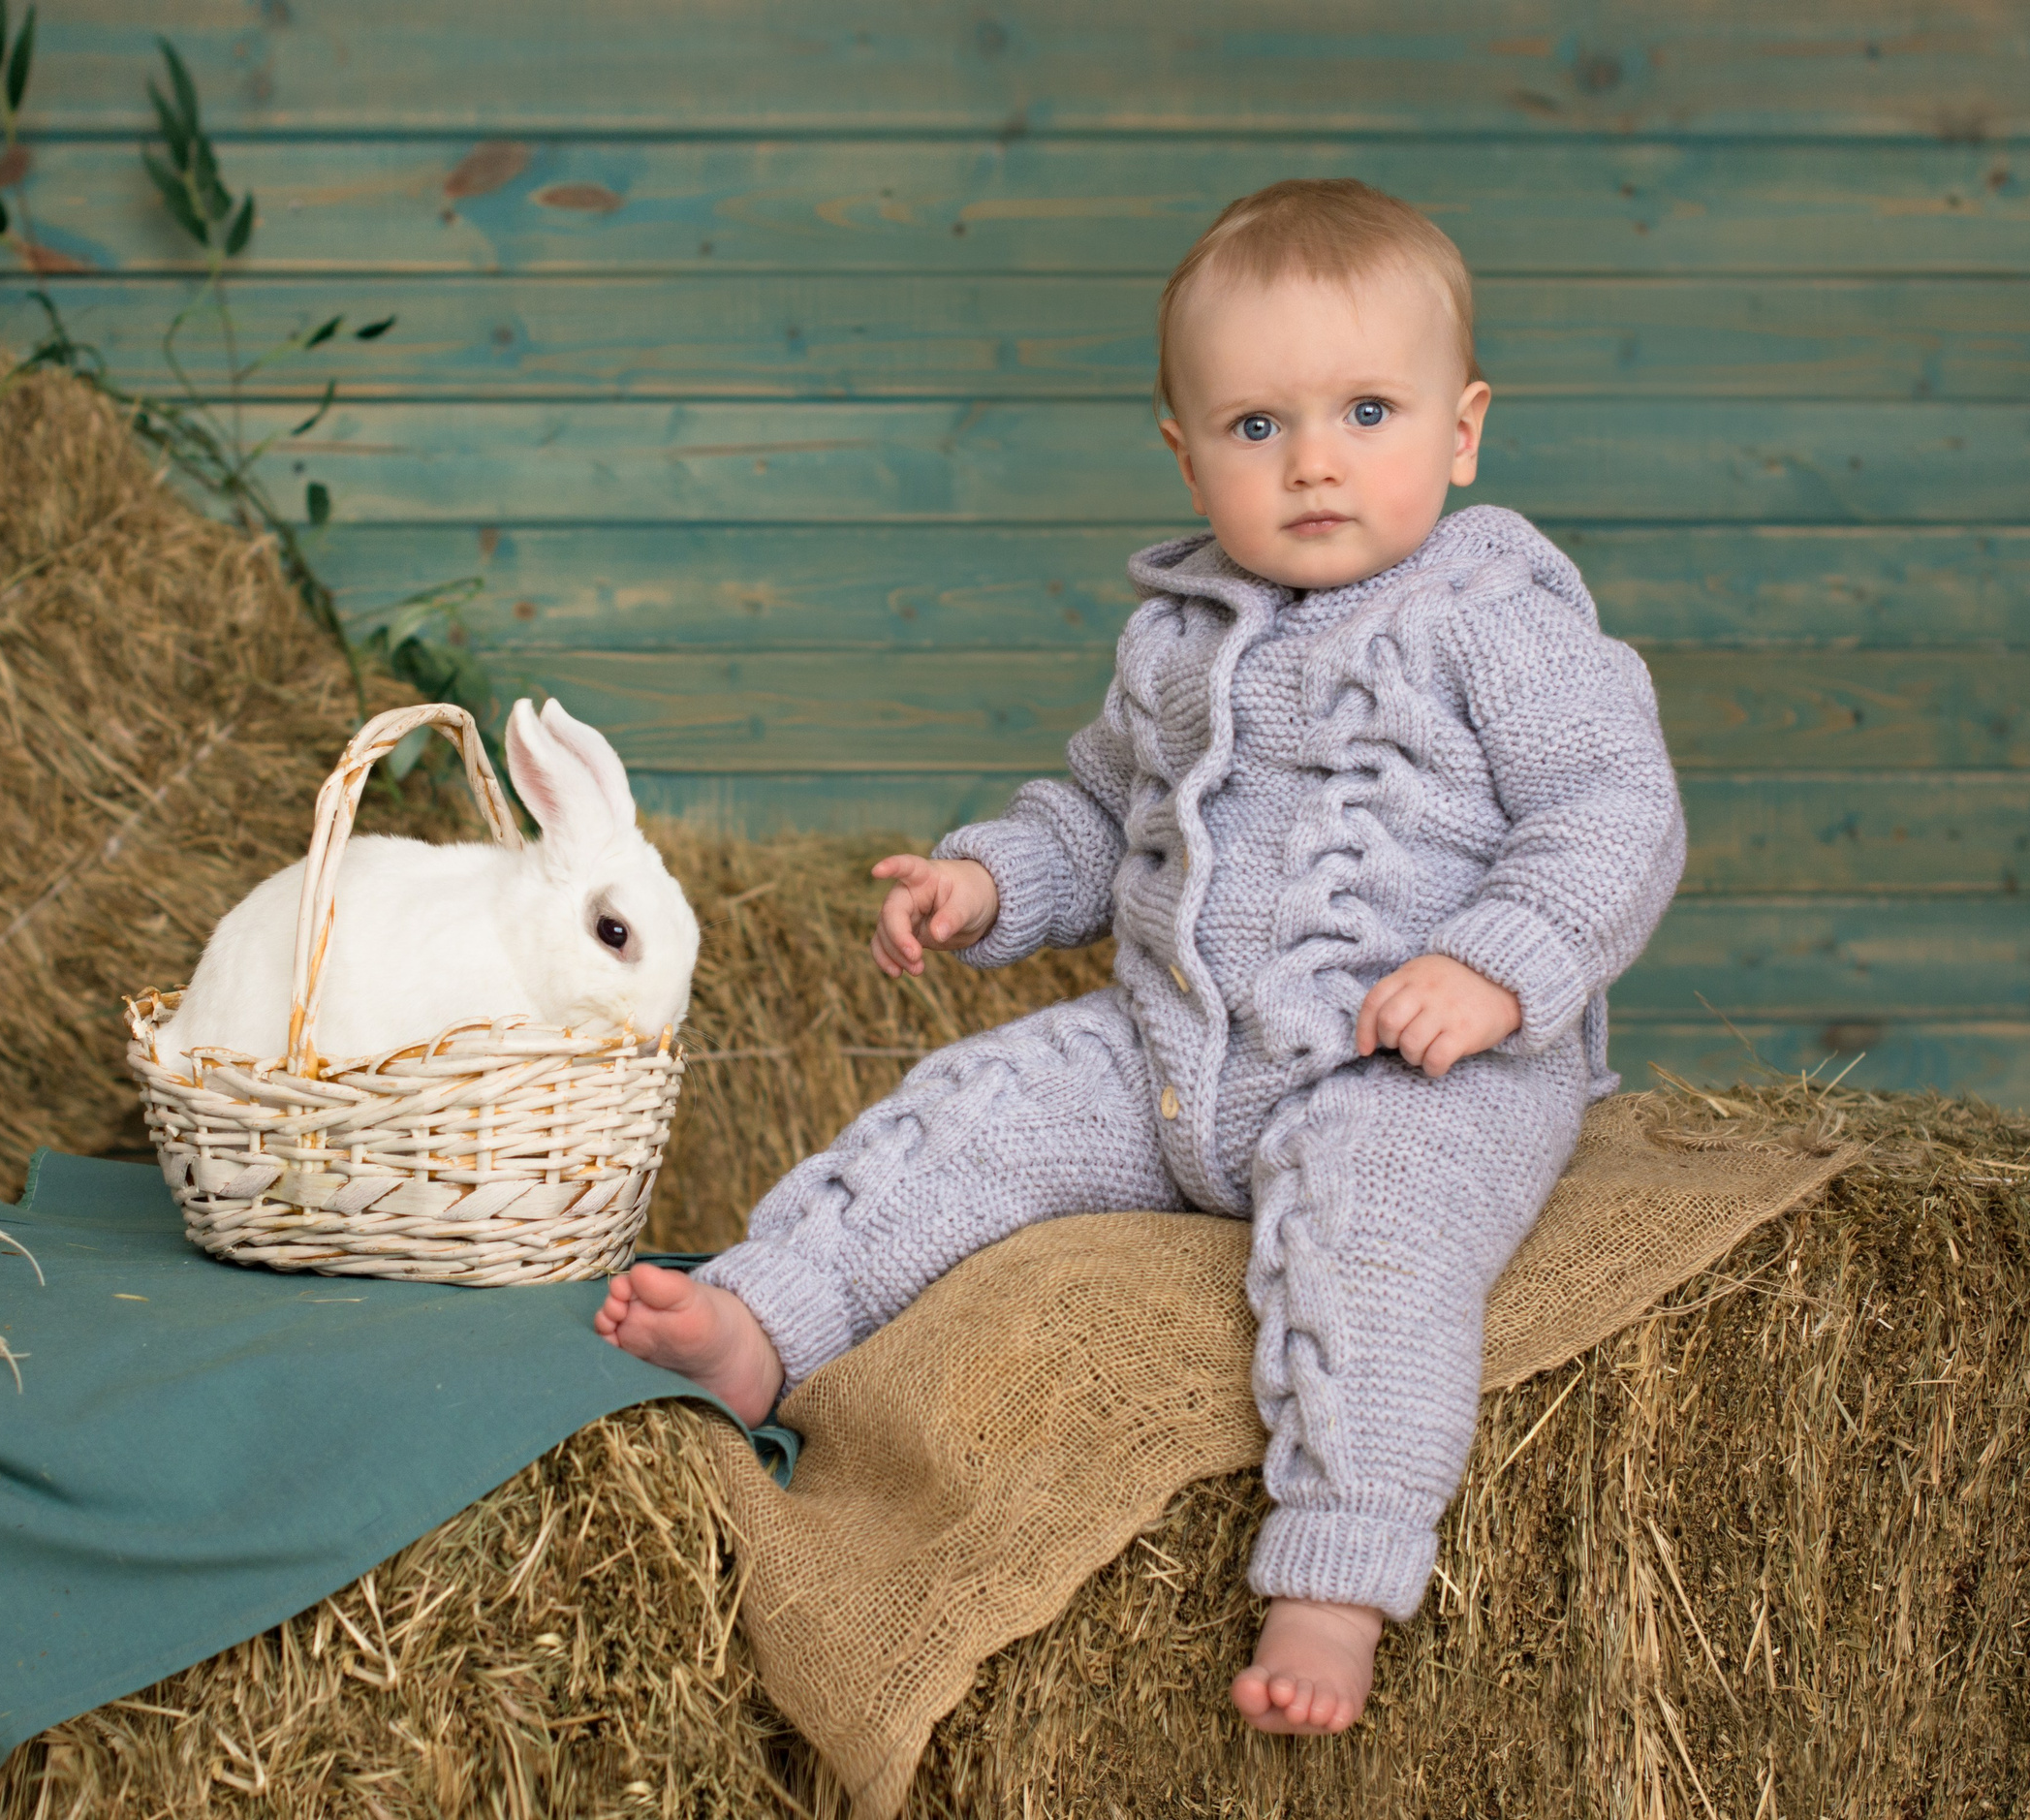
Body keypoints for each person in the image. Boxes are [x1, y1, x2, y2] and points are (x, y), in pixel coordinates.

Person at [596, 178, 1684, 1736]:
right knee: (969, 1114)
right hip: (1177, 1051)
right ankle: (762, 1319)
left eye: (1367, 410)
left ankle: (1336, 1575)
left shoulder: (1493, 615)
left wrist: (1499, 969)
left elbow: (1614, 807)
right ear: (1184, 449)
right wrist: (990, 878)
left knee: (1374, 1254)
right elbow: (1102, 813)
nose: (1313, 459)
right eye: (1257, 426)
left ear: (1461, 430)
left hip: (1417, 1067)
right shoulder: (1178, 634)